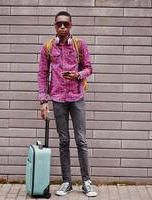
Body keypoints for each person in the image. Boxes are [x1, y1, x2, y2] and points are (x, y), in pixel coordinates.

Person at [37, 11, 97, 197]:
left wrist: (77, 75)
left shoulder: (80, 45)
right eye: (59, 24)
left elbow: (89, 68)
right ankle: (66, 182)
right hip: (58, 99)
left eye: (66, 24)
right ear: (55, 26)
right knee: (63, 142)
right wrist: (43, 100)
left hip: (77, 98)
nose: (62, 27)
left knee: (81, 141)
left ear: (70, 26)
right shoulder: (47, 47)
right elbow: (42, 74)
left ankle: (86, 182)